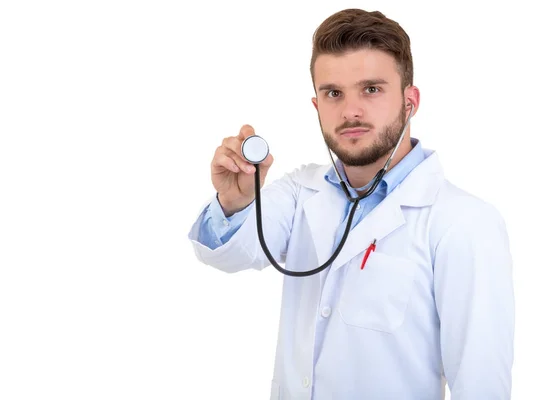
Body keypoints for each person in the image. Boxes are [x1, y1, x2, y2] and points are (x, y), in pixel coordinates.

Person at [188, 8, 515, 400]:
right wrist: (235, 201)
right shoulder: (299, 192)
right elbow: (230, 256)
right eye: (333, 93)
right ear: (316, 105)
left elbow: (481, 385)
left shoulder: (464, 222)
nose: (350, 111)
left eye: (371, 89)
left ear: (410, 101)